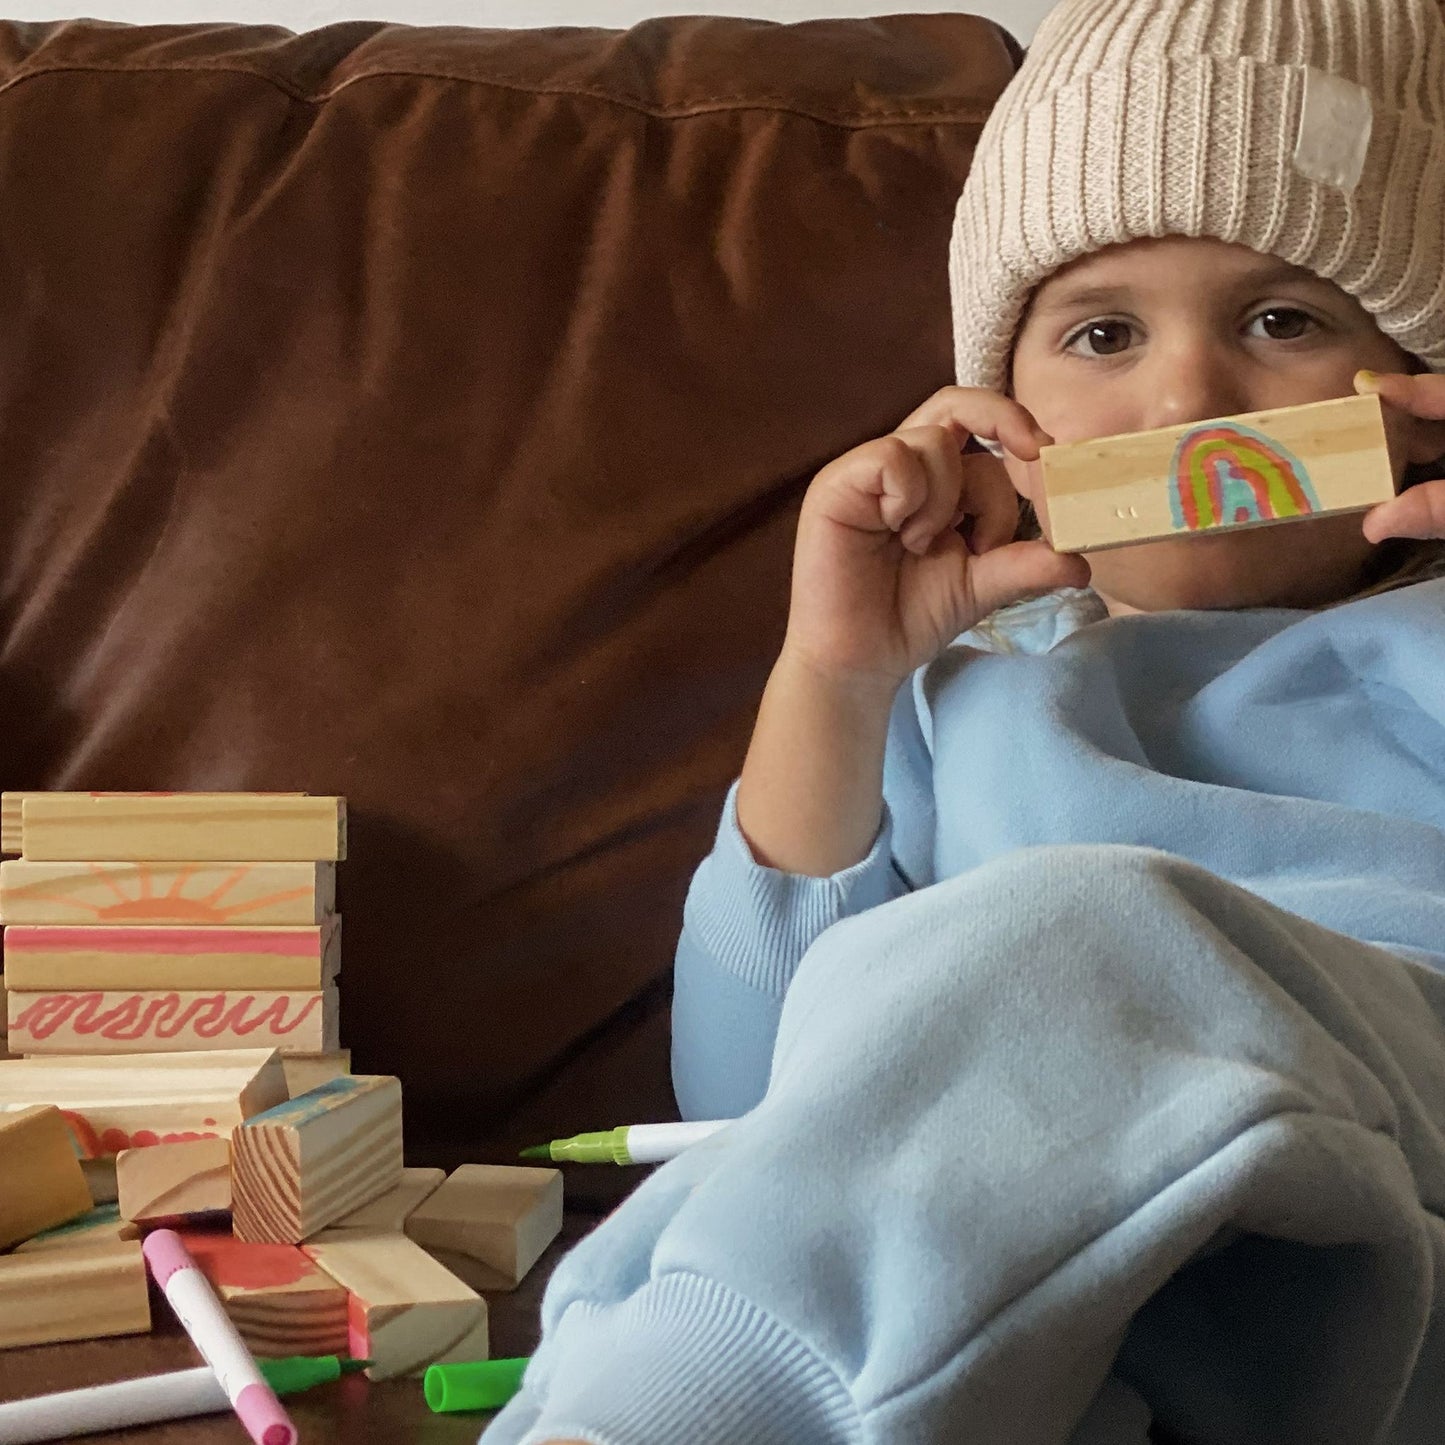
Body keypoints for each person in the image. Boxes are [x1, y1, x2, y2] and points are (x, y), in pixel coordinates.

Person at [486, 1, 1445, 1441]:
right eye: (1102, 331)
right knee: (728, 1194)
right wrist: (837, 676)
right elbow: (755, 1092)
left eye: (1281, 319)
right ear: (1003, 412)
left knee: (1079, 933)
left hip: (1388, 1207)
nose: (1183, 393)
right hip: (1097, 1335)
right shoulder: (974, 686)